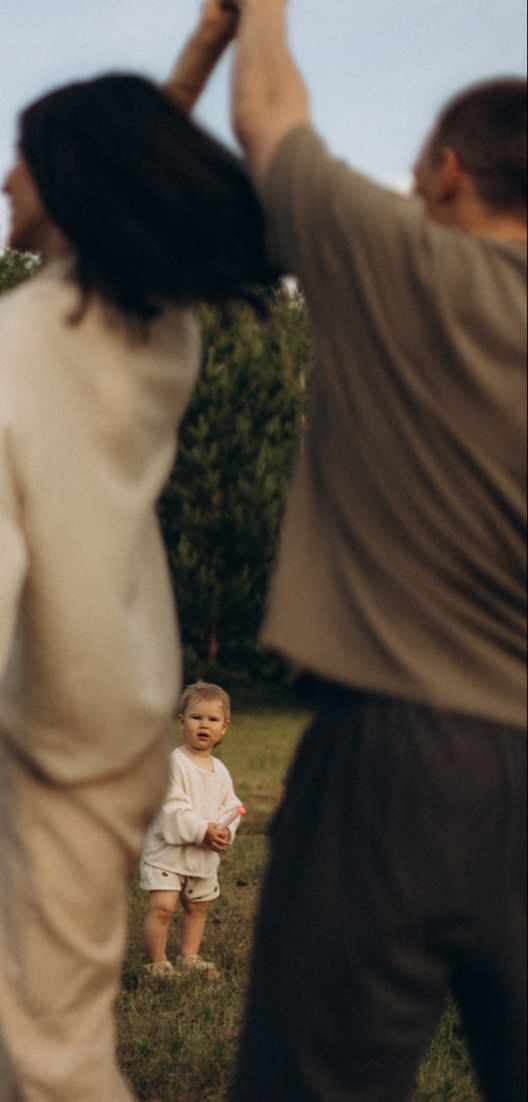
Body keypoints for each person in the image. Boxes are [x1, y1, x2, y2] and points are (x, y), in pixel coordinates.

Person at [0, 8, 275, 1101]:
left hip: (49, 722)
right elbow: (138, 176)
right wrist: (204, 50)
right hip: (123, 707)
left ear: (69, 184)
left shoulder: (34, 331)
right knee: (59, 1017)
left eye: (21, 158)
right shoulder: (151, 320)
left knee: (49, 1052)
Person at [212, 3, 526, 1101]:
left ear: (445, 173)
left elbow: (265, 110)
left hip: (399, 763)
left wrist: (258, 10)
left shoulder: (402, 261)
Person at [141, 680, 242, 979]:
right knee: (163, 906)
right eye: (197, 717)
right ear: (182, 722)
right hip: (168, 852)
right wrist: (202, 830)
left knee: (197, 907)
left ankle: (189, 955)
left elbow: (232, 806)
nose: (204, 725)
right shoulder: (174, 764)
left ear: (224, 727)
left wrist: (225, 830)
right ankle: (156, 962)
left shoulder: (220, 770)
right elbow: (171, 807)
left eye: (212, 720)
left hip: (201, 854)